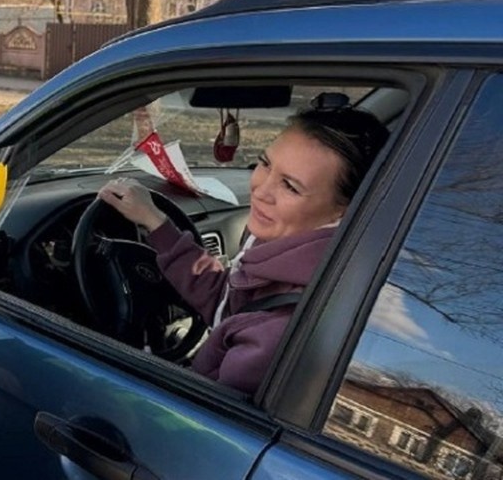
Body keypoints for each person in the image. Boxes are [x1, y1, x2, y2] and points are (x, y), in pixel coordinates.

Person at [98, 104, 389, 395]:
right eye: (264, 163)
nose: (260, 190)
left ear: (344, 212)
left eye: (290, 186)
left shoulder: (279, 328)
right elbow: (226, 301)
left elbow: (203, 418)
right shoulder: (289, 251)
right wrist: (154, 220)